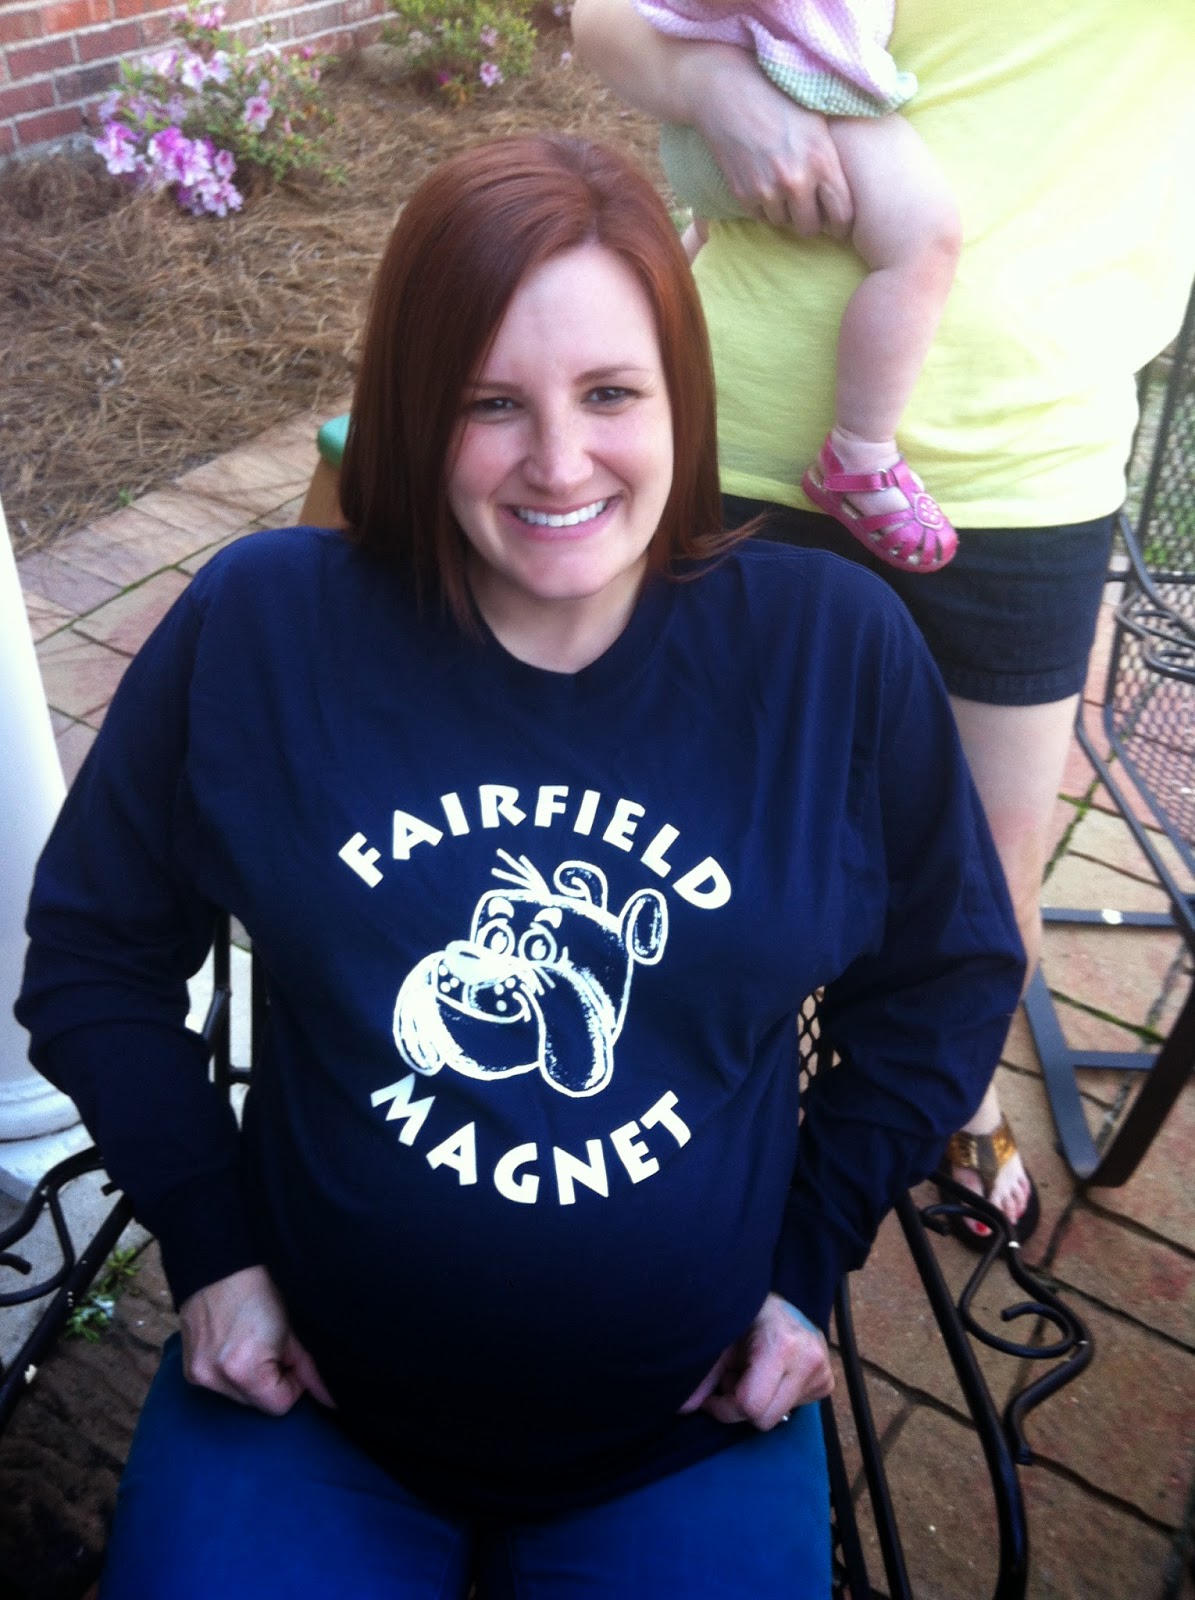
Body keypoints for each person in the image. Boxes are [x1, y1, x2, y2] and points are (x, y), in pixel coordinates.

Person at [17, 135, 1024, 1597]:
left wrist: (809, 1261)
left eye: (610, 393)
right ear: (413, 410)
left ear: (681, 399)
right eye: (490, 402)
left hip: (689, 1426)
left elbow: (946, 976)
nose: (559, 461)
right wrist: (211, 1247)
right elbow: (93, 950)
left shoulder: (826, 649)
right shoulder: (266, 626)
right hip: (306, 1406)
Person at [572, 0, 1195, 1244]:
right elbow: (602, 18)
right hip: (737, 423)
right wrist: (711, 85)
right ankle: (635, 1096)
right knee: (661, 831)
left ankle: (950, 1092)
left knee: (983, 880)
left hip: (1023, 455)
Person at [633, 0, 960, 573]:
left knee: (714, 230)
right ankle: (859, 452)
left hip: (737, 103)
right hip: (786, 87)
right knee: (924, 240)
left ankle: (643, 322)